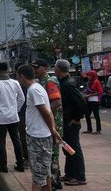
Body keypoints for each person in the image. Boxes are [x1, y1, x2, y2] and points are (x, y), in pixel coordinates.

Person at [17, 64, 62, 191]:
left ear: (21, 76)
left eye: (18, 77)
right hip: (41, 135)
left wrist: (53, 130)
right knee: (45, 172)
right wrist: (52, 130)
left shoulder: (33, 90)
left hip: (38, 137)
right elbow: (48, 112)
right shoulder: (37, 87)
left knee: (37, 176)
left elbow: (46, 112)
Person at [0, 62, 26, 173]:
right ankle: (20, 165)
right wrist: (16, 110)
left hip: (0, 119)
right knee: (16, 141)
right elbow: (22, 99)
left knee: (1, 142)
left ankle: (3, 166)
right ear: (8, 70)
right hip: (13, 118)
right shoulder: (15, 83)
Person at [31, 59, 63, 189]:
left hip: (53, 123)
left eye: (37, 68)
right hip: (49, 123)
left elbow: (56, 102)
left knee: (53, 154)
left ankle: (54, 181)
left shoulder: (50, 82)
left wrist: (45, 113)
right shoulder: (41, 82)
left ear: (44, 68)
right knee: (49, 154)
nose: (35, 70)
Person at [54, 59, 87, 186]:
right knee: (67, 148)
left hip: (71, 122)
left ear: (59, 69)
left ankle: (79, 177)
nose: (55, 70)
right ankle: (70, 174)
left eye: (56, 68)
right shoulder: (63, 82)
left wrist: (77, 118)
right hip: (66, 121)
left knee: (74, 149)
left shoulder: (68, 84)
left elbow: (81, 103)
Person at [83, 70, 103, 134]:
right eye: (88, 76)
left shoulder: (97, 82)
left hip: (95, 100)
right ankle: (89, 129)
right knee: (87, 115)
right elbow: (88, 90)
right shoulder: (89, 82)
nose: (88, 77)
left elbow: (100, 92)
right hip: (89, 100)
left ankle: (98, 130)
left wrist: (90, 95)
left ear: (92, 76)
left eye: (89, 76)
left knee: (96, 115)